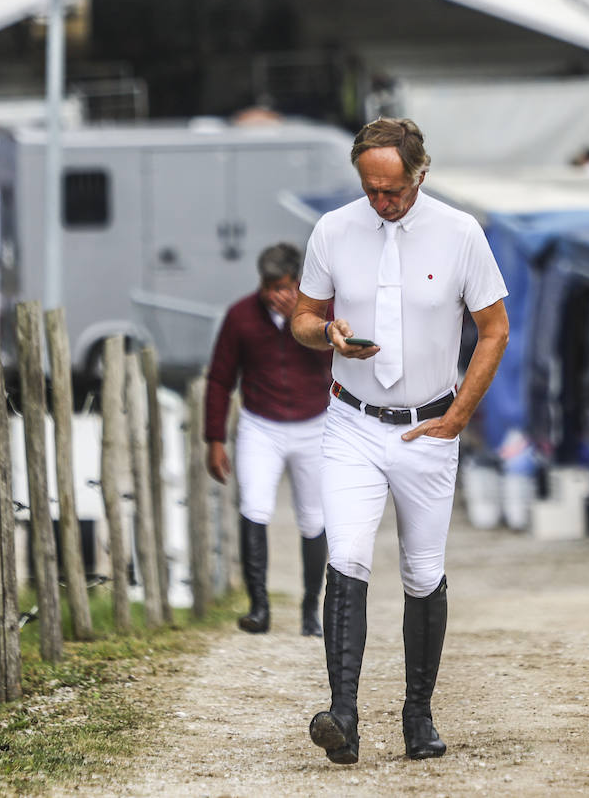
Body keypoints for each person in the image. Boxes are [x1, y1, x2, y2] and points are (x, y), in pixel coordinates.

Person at [292, 117, 508, 765]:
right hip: (352, 421)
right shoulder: (334, 229)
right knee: (348, 555)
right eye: (371, 189)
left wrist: (459, 416)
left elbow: (493, 329)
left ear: (420, 174)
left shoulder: (460, 233)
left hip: (427, 425)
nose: (382, 202)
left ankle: (418, 713)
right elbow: (302, 316)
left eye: (394, 191)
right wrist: (324, 332)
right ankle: (344, 716)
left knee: (421, 570)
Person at [205, 243, 333, 636]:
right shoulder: (240, 316)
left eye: (281, 285)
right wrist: (214, 438)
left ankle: (311, 608)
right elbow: (220, 379)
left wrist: (302, 320)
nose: (272, 294)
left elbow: (338, 360)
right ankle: (258, 607)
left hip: (315, 423)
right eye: (267, 285)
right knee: (254, 507)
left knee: (314, 517)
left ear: (298, 283)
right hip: (260, 425)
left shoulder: (324, 313)